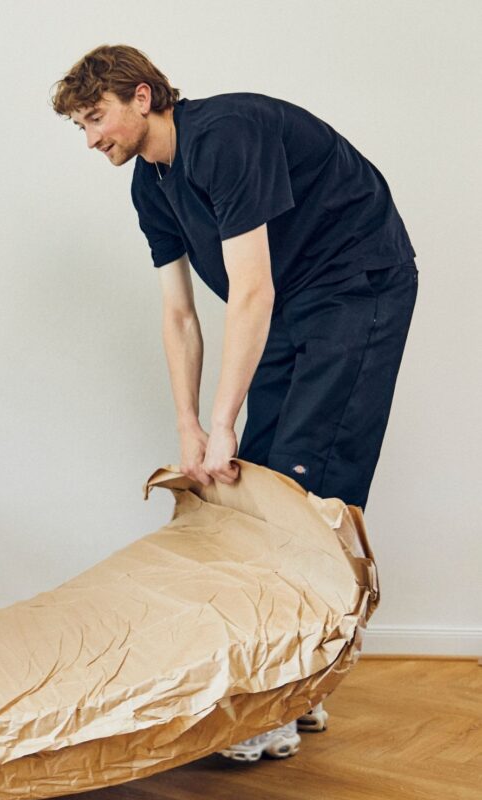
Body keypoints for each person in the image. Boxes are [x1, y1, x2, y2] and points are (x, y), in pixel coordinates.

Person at [51, 46, 416, 761]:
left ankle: (284, 695)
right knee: (262, 477)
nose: (92, 138)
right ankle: (289, 686)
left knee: (310, 485)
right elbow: (179, 316)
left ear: (144, 96)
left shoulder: (225, 138)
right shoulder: (150, 187)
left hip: (357, 283)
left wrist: (223, 421)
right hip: (293, 301)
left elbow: (251, 291)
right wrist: (190, 425)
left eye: (96, 117)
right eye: (81, 126)